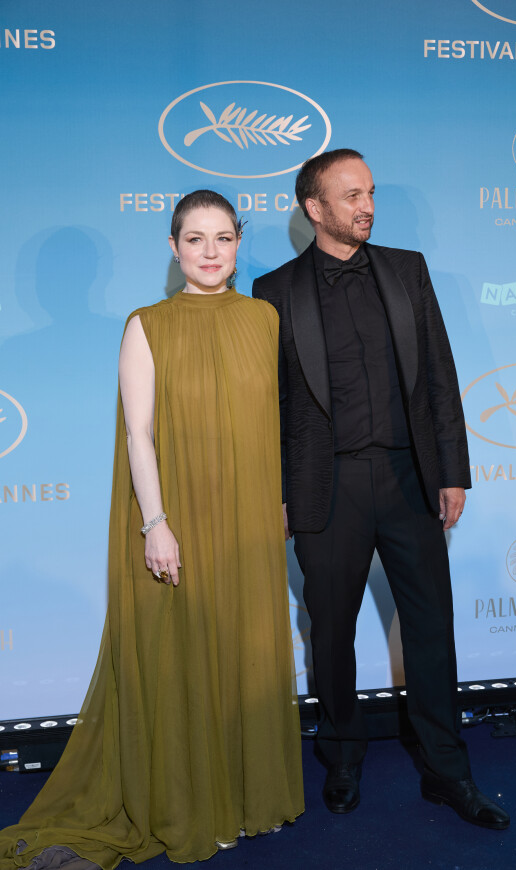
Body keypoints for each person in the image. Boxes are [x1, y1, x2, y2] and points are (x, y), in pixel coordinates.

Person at [0, 190, 304, 870]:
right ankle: (189, 803)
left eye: (222, 238)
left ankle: (246, 800)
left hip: (249, 518)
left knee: (244, 654)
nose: (209, 252)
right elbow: (139, 433)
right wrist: (155, 524)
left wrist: (281, 501)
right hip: (179, 515)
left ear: (237, 243)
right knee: (184, 654)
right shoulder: (146, 324)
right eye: (194, 239)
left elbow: (279, 424)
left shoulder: (263, 319)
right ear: (173, 248)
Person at [252, 150, 509, 830]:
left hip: (407, 477)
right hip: (323, 487)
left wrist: (452, 468)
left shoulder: (406, 270)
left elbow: (439, 377)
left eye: (370, 192)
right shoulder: (272, 290)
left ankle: (448, 771)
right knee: (330, 634)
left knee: (430, 629)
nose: (367, 204)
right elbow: (270, 407)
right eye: (351, 194)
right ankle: (340, 757)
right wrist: (276, 491)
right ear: (315, 209)